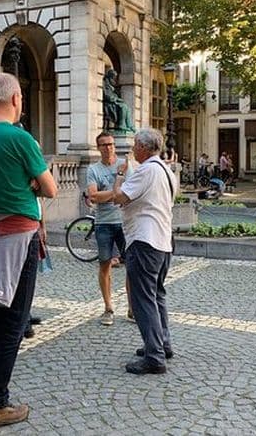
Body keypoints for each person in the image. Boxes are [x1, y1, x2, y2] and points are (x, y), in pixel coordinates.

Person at [0, 72, 58, 430]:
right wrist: (32, 181)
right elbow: (49, 189)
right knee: (13, 320)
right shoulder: (20, 139)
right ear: (17, 99)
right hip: (18, 237)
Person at [113, 128, 176, 375]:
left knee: (143, 299)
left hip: (145, 240)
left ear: (142, 147)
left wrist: (119, 175)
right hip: (163, 240)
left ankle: (154, 356)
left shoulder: (146, 170)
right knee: (157, 294)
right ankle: (162, 343)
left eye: (135, 145)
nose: (132, 150)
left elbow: (120, 197)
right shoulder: (166, 170)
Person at [86, 131, 133, 325]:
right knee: (104, 264)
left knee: (131, 265)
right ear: (98, 148)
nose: (109, 147)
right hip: (103, 222)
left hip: (124, 222)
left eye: (111, 144)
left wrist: (108, 194)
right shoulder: (93, 169)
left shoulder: (124, 166)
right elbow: (93, 196)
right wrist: (115, 192)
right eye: (104, 145)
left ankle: (132, 308)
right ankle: (108, 307)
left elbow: (129, 193)